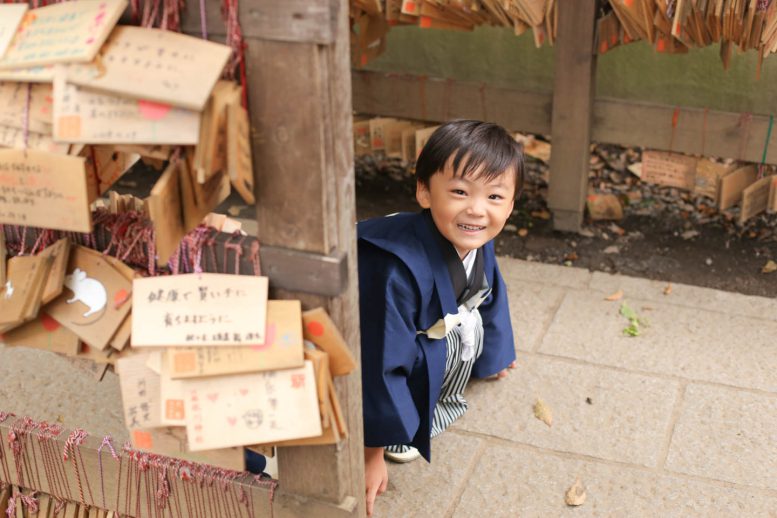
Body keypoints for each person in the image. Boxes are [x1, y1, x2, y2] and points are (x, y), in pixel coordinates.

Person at [357, 120, 523, 515]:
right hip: (368, 333)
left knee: (472, 323)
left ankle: (445, 390)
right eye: (460, 192)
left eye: (495, 196)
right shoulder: (394, 269)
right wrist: (370, 453)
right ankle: (399, 432)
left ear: (511, 203)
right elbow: (379, 360)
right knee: (414, 353)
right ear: (424, 191)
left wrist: (495, 355)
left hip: (429, 328)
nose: (477, 210)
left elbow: (489, 294)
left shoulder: (474, 235)